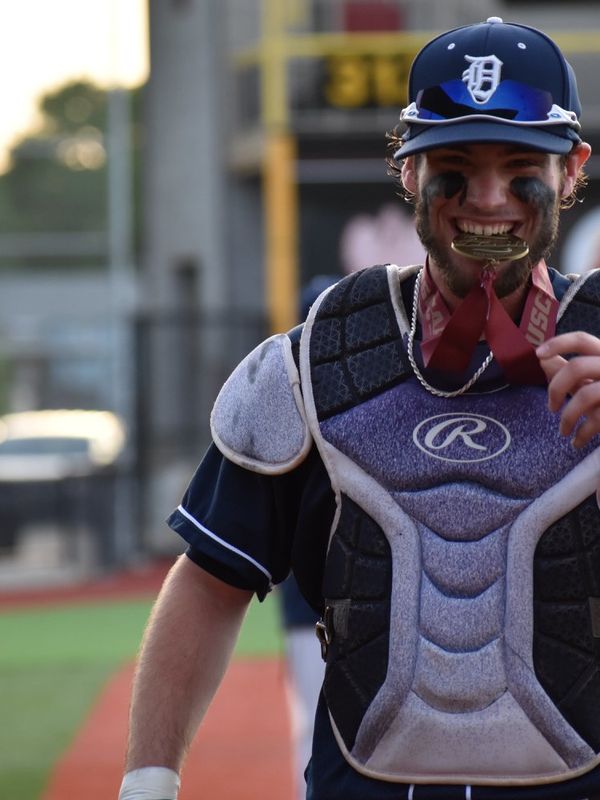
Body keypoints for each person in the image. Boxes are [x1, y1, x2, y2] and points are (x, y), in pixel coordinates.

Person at [118, 17, 600, 800]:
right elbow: (209, 581)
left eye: (521, 166)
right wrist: (146, 783)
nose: (487, 198)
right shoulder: (316, 364)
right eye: (453, 165)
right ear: (407, 170)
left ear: (572, 168)